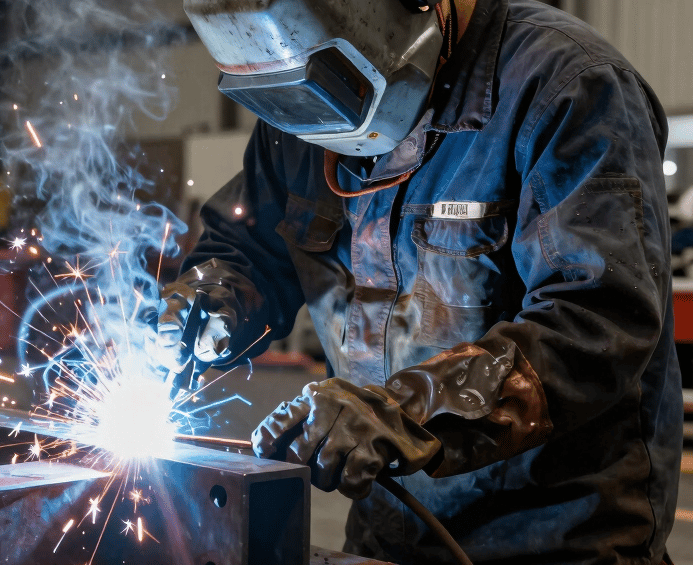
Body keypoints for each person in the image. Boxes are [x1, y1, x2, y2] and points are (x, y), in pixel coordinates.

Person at [156, 0, 682, 563]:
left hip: (559, 538)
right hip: (388, 528)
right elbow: (249, 246)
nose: (316, 122)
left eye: (336, 82)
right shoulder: (295, 113)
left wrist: (405, 410)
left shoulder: (567, 86)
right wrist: (216, 294)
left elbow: (596, 321)